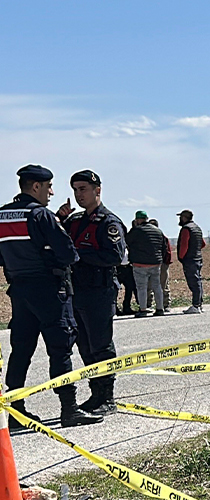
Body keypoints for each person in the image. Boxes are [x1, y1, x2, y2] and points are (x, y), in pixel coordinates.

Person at [0, 165, 102, 429]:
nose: (52, 192)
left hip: (19, 291)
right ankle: (69, 409)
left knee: (21, 350)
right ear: (36, 187)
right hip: (49, 290)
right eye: (49, 187)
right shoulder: (41, 216)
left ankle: (15, 412)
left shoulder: (2, 216)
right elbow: (68, 253)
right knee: (60, 349)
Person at [56, 170, 126, 416]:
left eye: (83, 189)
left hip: (100, 291)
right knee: (84, 346)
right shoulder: (73, 221)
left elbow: (115, 257)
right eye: (75, 189)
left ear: (98, 190)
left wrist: (79, 255)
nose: (78, 194)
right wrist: (58, 218)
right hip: (77, 292)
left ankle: (107, 397)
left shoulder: (109, 222)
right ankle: (96, 393)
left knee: (101, 345)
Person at [125, 211, 167, 317]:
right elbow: (164, 246)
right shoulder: (158, 231)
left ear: (137, 219)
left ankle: (143, 309)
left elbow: (127, 241)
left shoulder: (136, 231)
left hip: (140, 263)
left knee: (141, 287)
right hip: (156, 263)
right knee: (157, 286)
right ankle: (160, 308)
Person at [176, 209, 204, 313]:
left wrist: (181, 257)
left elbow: (184, 244)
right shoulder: (197, 228)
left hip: (190, 260)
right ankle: (199, 304)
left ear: (184, 218)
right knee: (198, 281)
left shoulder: (186, 229)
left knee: (193, 282)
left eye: (180, 217)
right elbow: (203, 243)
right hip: (198, 258)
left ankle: (196, 305)